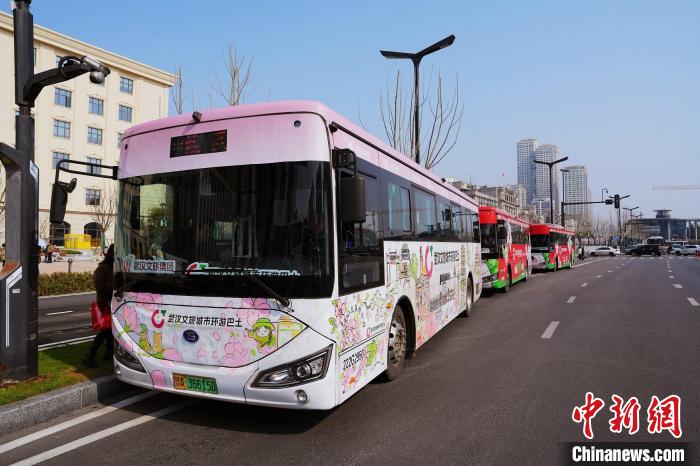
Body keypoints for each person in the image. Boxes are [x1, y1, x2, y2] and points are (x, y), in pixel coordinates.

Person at [84, 244, 114, 367]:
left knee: (110, 330)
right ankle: (90, 356)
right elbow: (99, 285)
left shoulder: (112, 267)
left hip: (111, 301)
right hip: (105, 302)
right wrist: (114, 287)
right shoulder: (103, 268)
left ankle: (108, 353)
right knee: (106, 330)